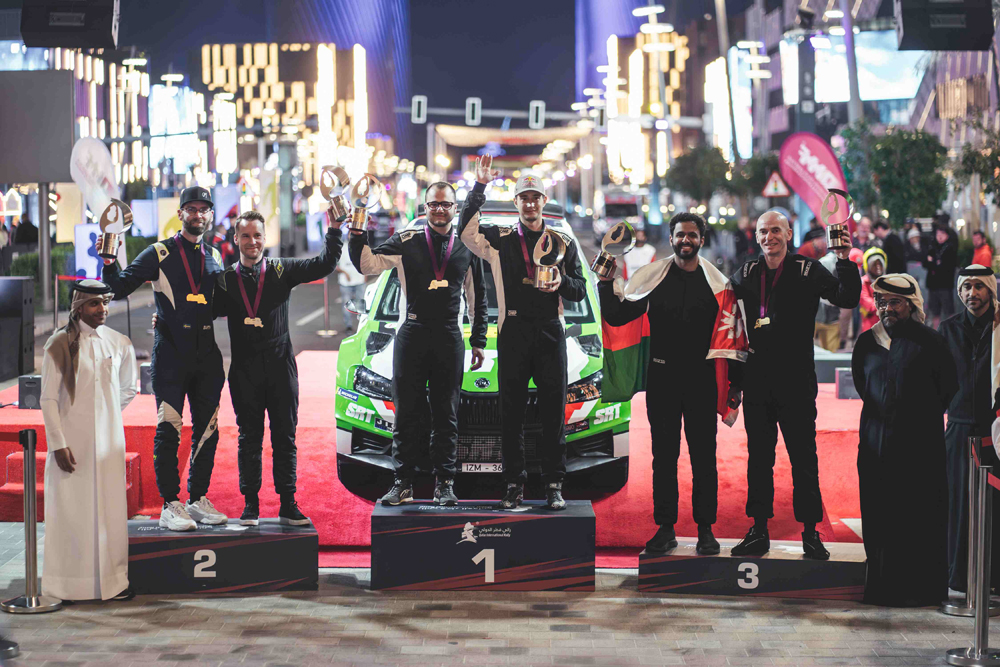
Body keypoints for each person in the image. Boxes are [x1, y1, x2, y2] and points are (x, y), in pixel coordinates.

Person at [598, 213, 747, 555]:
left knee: (704, 459)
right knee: (663, 459)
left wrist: (736, 387)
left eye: (692, 235)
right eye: (680, 235)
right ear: (672, 238)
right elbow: (619, 316)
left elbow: (732, 341)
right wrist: (605, 283)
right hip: (662, 380)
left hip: (702, 382)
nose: (685, 240)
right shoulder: (653, 278)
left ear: (701, 240)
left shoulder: (718, 285)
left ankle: (706, 531)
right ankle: (665, 529)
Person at [350, 171, 488, 506]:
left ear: (454, 209)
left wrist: (478, 340)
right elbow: (366, 263)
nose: (439, 210)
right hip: (411, 333)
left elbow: (477, 297)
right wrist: (357, 228)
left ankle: (444, 484)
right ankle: (403, 482)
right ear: (424, 208)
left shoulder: (468, 247)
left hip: (449, 336)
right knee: (407, 414)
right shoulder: (407, 240)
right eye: (433, 204)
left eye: (445, 204)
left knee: (446, 414)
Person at [729, 210, 860, 559]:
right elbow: (724, 318)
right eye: (763, 231)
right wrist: (732, 381)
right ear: (756, 237)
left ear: (788, 233)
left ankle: (810, 533)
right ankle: (758, 530)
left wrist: (845, 259)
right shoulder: (746, 272)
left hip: (797, 383)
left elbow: (846, 298)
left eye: (776, 230)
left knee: (804, 459)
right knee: (759, 459)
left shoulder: (807, 270)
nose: (769, 237)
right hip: (757, 382)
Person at [98, 186, 227, 531]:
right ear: (180, 213)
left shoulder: (215, 256)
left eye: (204, 209)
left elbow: (225, 305)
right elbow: (118, 288)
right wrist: (109, 260)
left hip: (208, 359)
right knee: (169, 430)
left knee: (208, 432)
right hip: (171, 356)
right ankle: (170, 503)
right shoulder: (159, 252)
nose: (198, 214)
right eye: (191, 208)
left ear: (209, 215)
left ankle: (197, 499)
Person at [461, 162, 587, 510]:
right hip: (512, 330)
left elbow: (580, 288)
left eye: (535, 197)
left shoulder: (561, 242)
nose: (530, 204)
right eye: (523, 198)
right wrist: (479, 187)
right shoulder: (500, 238)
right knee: (511, 414)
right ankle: (514, 484)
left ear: (544, 200)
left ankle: (553, 484)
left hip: (549, 330)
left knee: (552, 414)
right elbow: (465, 232)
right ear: (516, 202)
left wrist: (561, 282)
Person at [214, 210, 343, 525]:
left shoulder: (282, 270)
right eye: (246, 236)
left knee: (285, 436)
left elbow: (324, 264)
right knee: (249, 438)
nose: (252, 242)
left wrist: (335, 230)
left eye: (257, 236)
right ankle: (250, 505)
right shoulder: (225, 279)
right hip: (244, 370)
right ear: (236, 240)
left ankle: (288, 502)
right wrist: (162, 321)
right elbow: (198, 310)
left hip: (280, 365)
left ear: (264, 238)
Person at [852, 274, 957, 606]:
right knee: (878, 513)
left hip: (918, 447)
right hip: (874, 445)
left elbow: (947, 389)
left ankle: (919, 591)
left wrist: (913, 418)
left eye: (894, 302)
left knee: (917, 518)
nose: (887, 309)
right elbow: (862, 384)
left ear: (911, 305)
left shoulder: (932, 342)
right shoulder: (867, 342)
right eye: (881, 302)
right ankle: (880, 589)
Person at [41, 279, 137, 601]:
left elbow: (128, 388)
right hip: (72, 446)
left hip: (109, 443)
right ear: (78, 306)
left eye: (105, 303)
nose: (103, 309)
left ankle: (113, 583)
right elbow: (48, 399)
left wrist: (104, 415)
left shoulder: (119, 342)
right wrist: (58, 442)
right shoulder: (57, 344)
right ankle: (67, 586)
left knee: (110, 512)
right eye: (95, 304)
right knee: (72, 512)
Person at [940, 265, 1000, 592]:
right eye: (966, 287)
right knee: (959, 504)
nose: (971, 294)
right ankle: (960, 577)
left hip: (997, 429)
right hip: (959, 429)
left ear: (990, 291)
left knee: (996, 506)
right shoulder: (948, 328)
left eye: (978, 287)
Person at [924, 225, 958, 328]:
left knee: (948, 311)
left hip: (945, 285)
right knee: (935, 312)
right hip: (933, 285)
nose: (939, 236)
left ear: (947, 235)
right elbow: (925, 263)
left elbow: (946, 267)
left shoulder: (950, 248)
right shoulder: (933, 247)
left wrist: (933, 263)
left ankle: (951, 332)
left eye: (942, 234)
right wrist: (935, 263)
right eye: (938, 234)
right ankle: (936, 330)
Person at [335, 241, 367, 332]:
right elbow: (335, 265)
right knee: (347, 305)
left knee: (361, 305)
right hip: (345, 283)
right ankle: (348, 326)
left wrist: (365, 276)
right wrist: (345, 273)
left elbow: (365, 263)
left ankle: (362, 326)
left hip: (359, 281)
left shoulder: (362, 247)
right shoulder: (341, 248)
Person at [858, 247, 886, 333]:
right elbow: (866, 301)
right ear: (868, 266)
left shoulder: (888, 281)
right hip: (870, 325)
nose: (878, 267)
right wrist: (885, 307)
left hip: (887, 326)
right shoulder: (863, 282)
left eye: (880, 264)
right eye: (874, 264)